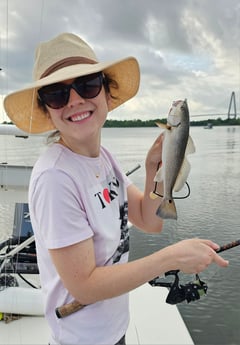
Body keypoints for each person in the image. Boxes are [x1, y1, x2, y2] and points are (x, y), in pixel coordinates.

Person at [4, 33, 229, 345]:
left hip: (113, 330)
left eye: (87, 84)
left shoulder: (104, 159)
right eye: (56, 93)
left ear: (107, 94)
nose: (75, 100)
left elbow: (148, 219)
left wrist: (155, 170)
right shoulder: (56, 178)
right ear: (46, 110)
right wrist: (169, 258)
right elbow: (84, 286)